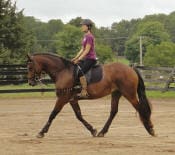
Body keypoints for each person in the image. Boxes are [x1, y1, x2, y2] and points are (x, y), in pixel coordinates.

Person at [71, 19, 97, 97]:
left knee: (80, 72)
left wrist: (78, 59)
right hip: (86, 58)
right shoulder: (85, 36)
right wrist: (75, 58)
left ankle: (84, 91)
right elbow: (82, 49)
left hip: (91, 59)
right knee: (74, 69)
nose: (82, 27)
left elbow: (87, 50)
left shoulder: (89, 37)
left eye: (83, 25)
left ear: (88, 27)